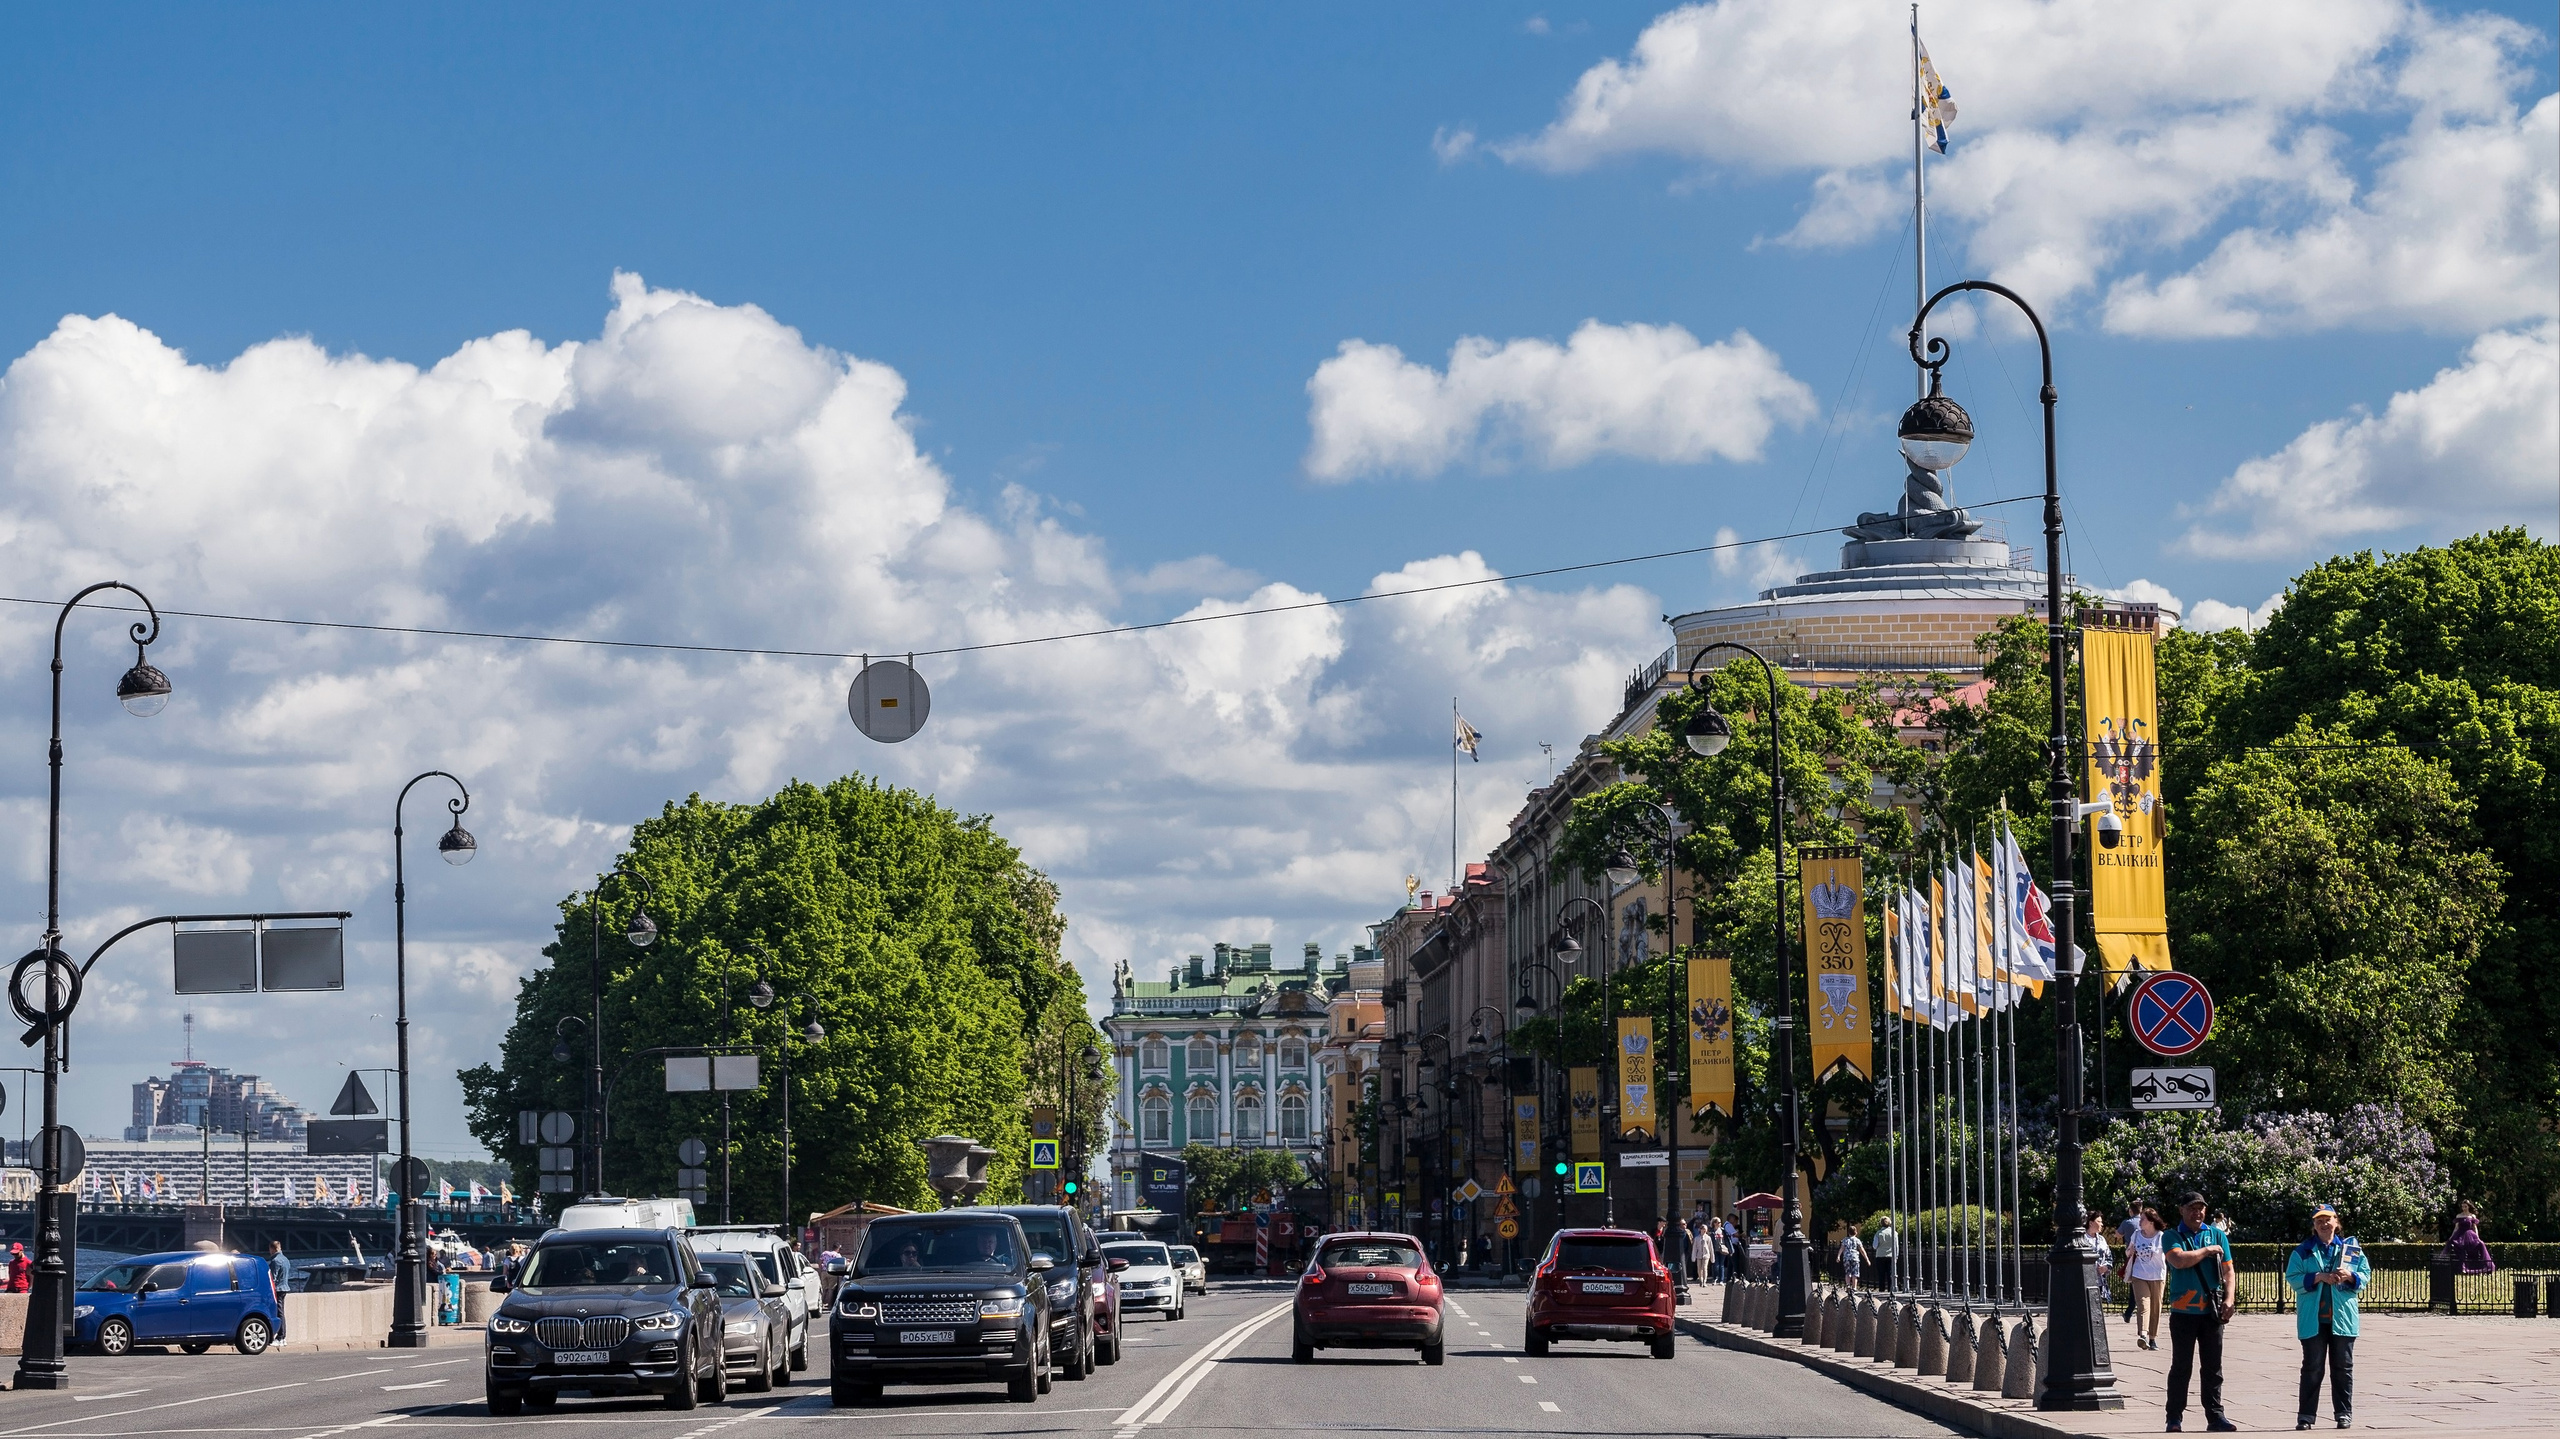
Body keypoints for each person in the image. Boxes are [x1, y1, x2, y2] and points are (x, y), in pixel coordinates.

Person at [2286, 1202, 2366, 1431]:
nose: (2324, 1224)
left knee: (2343, 1368)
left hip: (2342, 1319)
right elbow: (2292, 1277)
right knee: (2312, 1368)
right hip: (2314, 1320)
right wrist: (2319, 1276)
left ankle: (2343, 1414)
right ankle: (2305, 1417)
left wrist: (2350, 1276)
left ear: (2336, 1222)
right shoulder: (2303, 1250)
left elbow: (2365, 1274)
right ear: (2314, 1225)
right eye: (2318, 1220)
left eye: (2327, 1219)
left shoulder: (2351, 1249)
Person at [2162, 1191, 2238, 1433]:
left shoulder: (2216, 1234)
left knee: (2213, 1367)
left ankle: (2215, 1416)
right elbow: (2178, 1260)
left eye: (2201, 1208)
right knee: (2181, 1367)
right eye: (2192, 1208)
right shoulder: (2172, 1236)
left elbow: (2229, 1272)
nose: (2197, 1213)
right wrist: (2206, 1251)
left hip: (2211, 1312)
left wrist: (2229, 1298)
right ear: (2181, 1210)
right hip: (2183, 1312)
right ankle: (2174, 1417)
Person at [2124, 1208, 2167, 1351]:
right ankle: (2142, 1335)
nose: (2140, 1221)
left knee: (2155, 1307)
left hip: (2157, 1276)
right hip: (2139, 1274)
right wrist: (2130, 1251)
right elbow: (2128, 1251)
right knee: (2143, 1304)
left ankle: (2152, 1338)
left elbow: (2167, 1254)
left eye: (2143, 1219)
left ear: (2151, 1221)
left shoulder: (2161, 1236)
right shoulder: (2136, 1235)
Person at [2446, 1200, 2495, 1273]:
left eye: (2465, 1206)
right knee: (2459, 1247)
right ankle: (2461, 1267)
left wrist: (2477, 1237)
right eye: (2462, 1207)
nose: (2464, 1208)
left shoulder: (2472, 1216)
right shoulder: (2459, 1216)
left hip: (2470, 1234)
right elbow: (2456, 1228)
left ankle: (2486, 1266)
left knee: (2481, 1244)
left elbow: (2475, 1227)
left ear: (2469, 1207)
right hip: (2460, 1234)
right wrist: (2451, 1236)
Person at [1869, 1214, 1897, 1292]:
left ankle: (1881, 1289)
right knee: (1890, 1274)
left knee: (1881, 1274)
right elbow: (1896, 1245)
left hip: (1880, 1255)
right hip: (1891, 1255)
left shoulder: (1878, 1233)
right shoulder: (1894, 1233)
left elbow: (1875, 1246)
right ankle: (1890, 1289)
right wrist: (1896, 1256)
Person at [1837, 1223, 1868, 1290]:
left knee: (1848, 1272)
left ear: (1848, 1233)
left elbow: (1842, 1248)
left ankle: (1848, 1285)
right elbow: (1862, 1250)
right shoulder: (1857, 1240)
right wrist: (1867, 1259)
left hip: (1847, 1257)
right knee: (1855, 1273)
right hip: (1855, 1258)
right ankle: (1854, 1287)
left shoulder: (1845, 1240)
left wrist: (1838, 1256)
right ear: (1856, 1232)